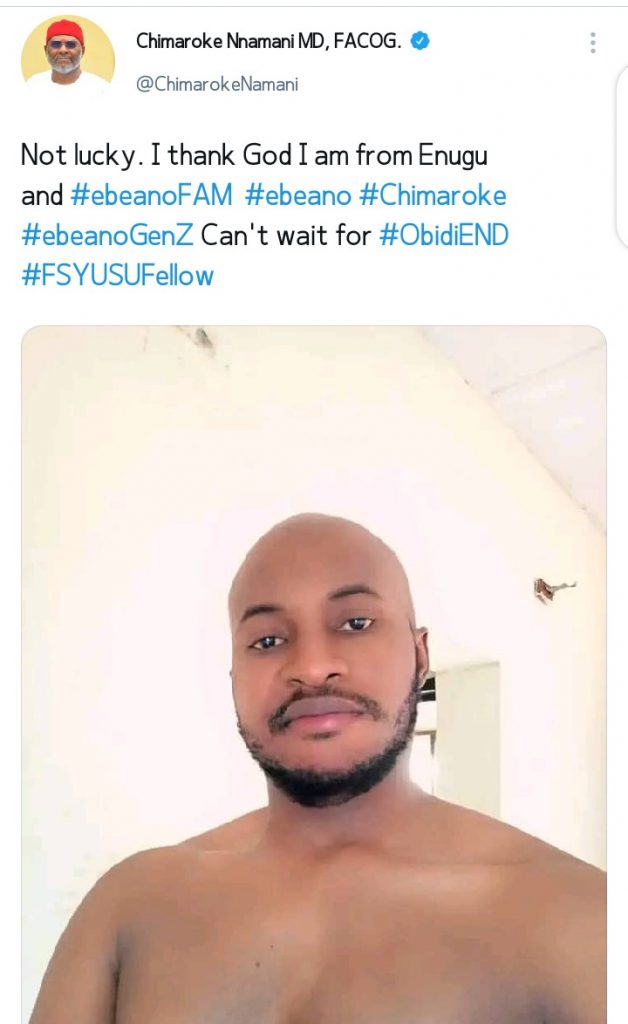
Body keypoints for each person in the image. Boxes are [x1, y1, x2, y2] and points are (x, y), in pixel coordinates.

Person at [30, 514, 605, 1023]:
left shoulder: (576, 918)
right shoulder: (130, 908)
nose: (311, 666)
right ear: (233, 678)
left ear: (420, 655)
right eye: (267, 640)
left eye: (355, 623)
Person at [27, 19, 104, 93]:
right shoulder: (32, 86)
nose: (63, 50)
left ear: (82, 50)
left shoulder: (101, 89)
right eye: (55, 44)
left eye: (71, 44)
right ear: (46, 50)